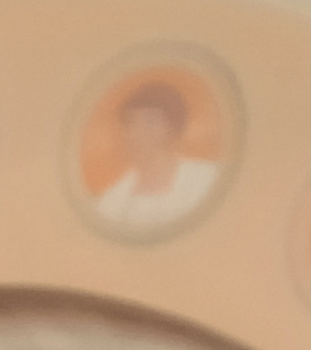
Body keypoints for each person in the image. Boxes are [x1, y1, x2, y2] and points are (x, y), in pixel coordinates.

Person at [92, 78, 219, 233]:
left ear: (173, 128)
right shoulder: (112, 202)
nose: (137, 134)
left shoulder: (207, 179)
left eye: (150, 122)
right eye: (130, 123)